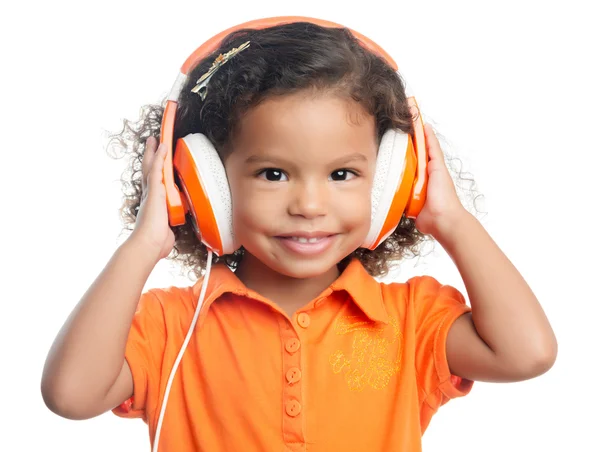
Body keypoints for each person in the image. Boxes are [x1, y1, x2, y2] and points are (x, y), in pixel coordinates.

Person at [41, 16, 557, 452]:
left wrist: (451, 220)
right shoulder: (171, 325)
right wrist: (143, 244)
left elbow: (527, 353)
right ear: (204, 185)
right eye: (273, 174)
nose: (309, 206)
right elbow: (71, 396)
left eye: (341, 175)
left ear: (392, 183)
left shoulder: (410, 319)